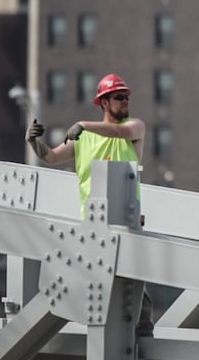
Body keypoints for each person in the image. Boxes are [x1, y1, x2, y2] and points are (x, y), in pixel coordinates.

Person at [27, 72, 152, 334]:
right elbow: (50, 157)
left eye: (127, 96)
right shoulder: (83, 138)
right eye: (119, 97)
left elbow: (120, 130)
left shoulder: (135, 128)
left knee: (133, 285)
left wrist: (83, 124)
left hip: (127, 220)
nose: (125, 101)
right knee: (98, 283)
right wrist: (33, 141)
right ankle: (90, 333)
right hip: (93, 224)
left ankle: (140, 336)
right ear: (104, 102)